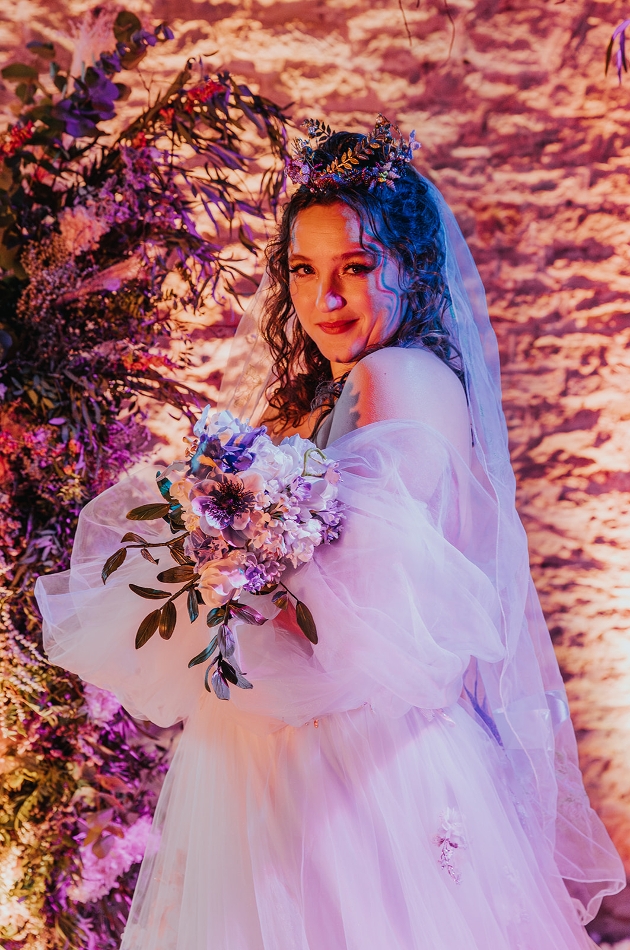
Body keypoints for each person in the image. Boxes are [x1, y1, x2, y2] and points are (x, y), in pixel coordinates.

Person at [35, 117, 624, 950]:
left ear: (412, 269)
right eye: (304, 271)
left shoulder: (395, 374)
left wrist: (228, 566)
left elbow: (361, 589)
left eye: (356, 267)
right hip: (303, 738)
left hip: (352, 758)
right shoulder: (332, 389)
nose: (327, 299)